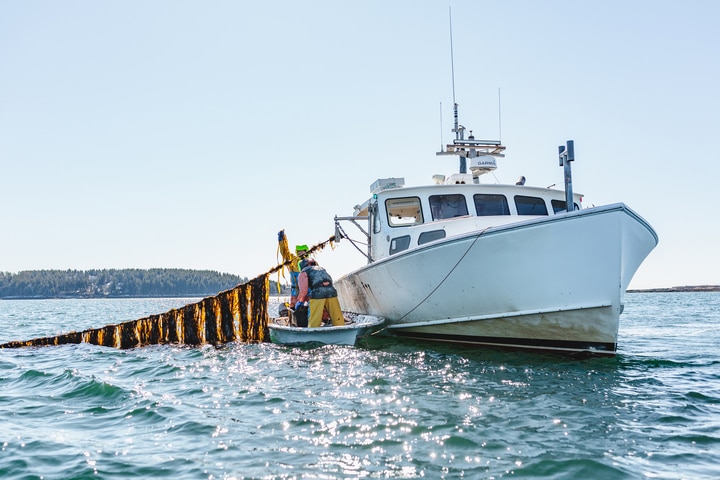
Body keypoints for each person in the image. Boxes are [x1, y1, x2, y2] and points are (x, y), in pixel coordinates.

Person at [296, 258, 345, 328]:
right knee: (337, 318)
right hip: (332, 293)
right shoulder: (321, 269)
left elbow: (303, 291)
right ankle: (342, 331)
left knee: (314, 321)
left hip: (317, 294)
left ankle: (313, 334)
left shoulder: (304, 272)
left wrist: (300, 302)